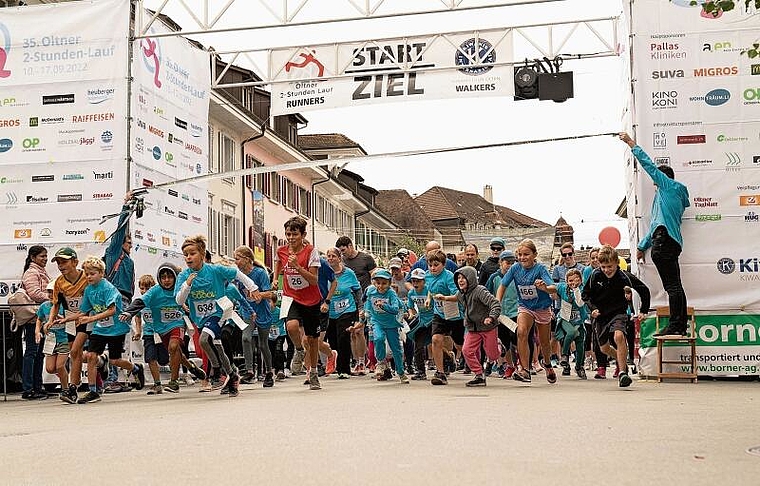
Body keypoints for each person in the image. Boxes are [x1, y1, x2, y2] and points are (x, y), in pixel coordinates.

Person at [620, 132, 689, 335]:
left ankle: (676, 326)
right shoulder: (668, 199)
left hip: (664, 243)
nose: (654, 184)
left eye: (657, 181)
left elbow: (648, 165)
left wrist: (631, 143)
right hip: (670, 242)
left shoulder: (669, 186)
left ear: (663, 178)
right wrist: (642, 246)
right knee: (676, 286)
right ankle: (680, 325)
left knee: (673, 287)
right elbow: (655, 225)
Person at [176, 235, 260, 397]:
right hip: (199, 317)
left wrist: (253, 286)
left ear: (202, 253)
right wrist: (187, 285)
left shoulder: (214, 270)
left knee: (203, 340)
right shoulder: (183, 276)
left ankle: (215, 371)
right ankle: (232, 374)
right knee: (217, 347)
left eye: (192, 253)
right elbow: (179, 300)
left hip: (218, 313)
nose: (188, 257)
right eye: (185, 254)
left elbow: (236, 273)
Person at [121, 266, 205, 394]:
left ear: (175, 277)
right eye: (163, 277)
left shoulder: (180, 288)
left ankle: (174, 382)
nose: (166, 280)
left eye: (170, 277)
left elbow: (195, 299)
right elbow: (140, 301)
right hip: (160, 329)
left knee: (173, 346)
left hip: (177, 324)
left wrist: (190, 310)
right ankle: (190, 366)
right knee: (175, 352)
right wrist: (128, 312)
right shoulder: (155, 291)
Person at [77, 256, 145, 403]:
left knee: (115, 361)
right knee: (90, 356)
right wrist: (63, 319)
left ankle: (136, 368)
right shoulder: (88, 290)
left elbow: (111, 310)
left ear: (101, 273)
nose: (89, 276)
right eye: (86, 274)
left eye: (92, 273)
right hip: (100, 329)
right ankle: (93, 391)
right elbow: (83, 311)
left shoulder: (108, 288)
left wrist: (90, 319)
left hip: (116, 329)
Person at [582, 245, 651, 388]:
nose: (607, 270)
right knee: (604, 349)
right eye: (603, 267)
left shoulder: (624, 276)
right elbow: (585, 294)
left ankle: (623, 373)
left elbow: (644, 290)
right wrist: (592, 308)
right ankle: (621, 361)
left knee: (619, 336)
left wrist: (644, 310)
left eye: (610, 266)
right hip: (600, 315)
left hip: (618, 312)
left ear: (616, 264)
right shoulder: (595, 275)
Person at [495, 239, 557, 384]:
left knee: (544, 342)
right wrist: (497, 301)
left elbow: (553, 288)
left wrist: (545, 288)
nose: (523, 258)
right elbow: (502, 285)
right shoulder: (515, 268)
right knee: (521, 332)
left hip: (542, 307)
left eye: (526, 254)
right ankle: (525, 369)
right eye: (520, 254)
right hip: (525, 306)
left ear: (534, 254)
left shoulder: (540, 269)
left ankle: (547, 364)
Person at [273, 217, 324, 390]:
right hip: (291, 296)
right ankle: (299, 350)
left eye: (295, 234)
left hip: (311, 299)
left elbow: (314, 281)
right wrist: (275, 278)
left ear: (303, 235)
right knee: (291, 327)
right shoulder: (281, 250)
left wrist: (298, 267)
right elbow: (279, 263)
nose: (291, 237)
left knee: (312, 338)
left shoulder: (311, 252)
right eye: (288, 234)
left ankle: (314, 372)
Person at [435, 266, 500, 387]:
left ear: (470, 278)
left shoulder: (480, 290)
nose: (460, 280)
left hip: (487, 327)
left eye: (463, 278)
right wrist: (444, 298)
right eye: (458, 278)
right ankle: (479, 375)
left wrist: (491, 317)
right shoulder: (462, 293)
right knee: (466, 351)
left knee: (492, 355)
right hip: (472, 328)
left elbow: (495, 303)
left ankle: (499, 348)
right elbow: (455, 298)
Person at [47, 247, 89, 404]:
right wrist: (51, 320)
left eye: (64, 261)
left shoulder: (87, 277)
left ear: (75, 262)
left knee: (75, 350)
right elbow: (56, 304)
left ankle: (72, 389)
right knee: (76, 354)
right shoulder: (59, 282)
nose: (61, 265)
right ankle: (100, 362)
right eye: (58, 262)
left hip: (87, 317)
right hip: (70, 319)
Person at [234, 245, 276, 387]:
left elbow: (270, 294)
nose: (235, 262)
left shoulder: (260, 273)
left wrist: (258, 294)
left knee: (263, 345)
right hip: (248, 311)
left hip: (262, 311)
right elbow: (238, 294)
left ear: (247, 259)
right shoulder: (238, 276)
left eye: (237, 259)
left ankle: (270, 372)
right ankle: (250, 371)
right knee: (246, 338)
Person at [425, 249, 463, 386]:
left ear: (443, 264)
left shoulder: (449, 277)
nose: (433, 268)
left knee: (460, 345)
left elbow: (458, 296)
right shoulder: (427, 276)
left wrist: (445, 298)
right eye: (430, 265)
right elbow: (431, 289)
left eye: (436, 265)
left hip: (454, 314)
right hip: (439, 314)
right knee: (436, 339)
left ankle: (474, 367)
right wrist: (429, 299)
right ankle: (440, 372)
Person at [363, 269, 408, 384]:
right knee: (378, 339)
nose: (381, 286)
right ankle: (381, 363)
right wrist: (365, 312)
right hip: (377, 321)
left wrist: (384, 306)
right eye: (378, 283)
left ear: (389, 283)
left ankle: (401, 371)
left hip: (391, 324)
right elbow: (368, 304)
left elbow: (394, 310)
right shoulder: (371, 292)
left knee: (396, 349)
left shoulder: (391, 293)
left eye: (384, 283)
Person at [324, 247, 362, 379]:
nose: (330, 258)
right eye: (328, 256)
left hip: (347, 309)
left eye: (333, 256)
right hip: (329, 311)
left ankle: (344, 369)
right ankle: (335, 363)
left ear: (339, 258)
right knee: (332, 339)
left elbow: (357, 290)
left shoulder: (349, 273)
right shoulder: (324, 273)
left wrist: (360, 307)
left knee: (343, 338)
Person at [21, 245, 50, 400]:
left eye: (46, 256)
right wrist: (53, 297)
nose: (45, 259)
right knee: (32, 353)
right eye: (42, 256)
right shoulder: (31, 272)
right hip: (33, 319)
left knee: (39, 354)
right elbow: (35, 294)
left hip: (42, 318)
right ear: (33, 257)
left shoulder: (41, 271)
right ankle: (28, 389)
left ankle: (38, 387)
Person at [547, 268, 588, 379]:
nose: (573, 282)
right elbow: (551, 287)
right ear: (566, 281)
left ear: (580, 279)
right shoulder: (562, 288)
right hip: (565, 318)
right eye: (570, 280)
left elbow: (580, 303)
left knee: (580, 345)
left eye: (576, 280)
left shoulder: (583, 289)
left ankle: (579, 366)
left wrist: (576, 290)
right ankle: (564, 355)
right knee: (570, 332)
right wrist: (543, 286)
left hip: (579, 321)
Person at [485, 250, 519, 379]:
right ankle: (509, 365)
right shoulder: (494, 278)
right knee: (505, 342)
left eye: (512, 262)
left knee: (517, 340)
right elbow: (487, 294)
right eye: (507, 262)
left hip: (516, 313)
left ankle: (521, 365)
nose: (510, 265)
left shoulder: (518, 276)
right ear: (500, 263)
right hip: (501, 315)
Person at [34, 281, 65, 399]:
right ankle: (64, 375)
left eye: (53, 292)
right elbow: (39, 319)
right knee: (50, 368)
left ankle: (65, 388)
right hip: (50, 340)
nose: (51, 294)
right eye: (49, 292)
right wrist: (37, 331)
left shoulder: (63, 305)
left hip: (63, 338)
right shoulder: (44, 306)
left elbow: (72, 319)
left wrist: (62, 318)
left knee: (59, 366)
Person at [406, 268, 434, 380]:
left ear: (424, 281)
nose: (416, 283)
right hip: (422, 321)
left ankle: (447, 358)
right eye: (413, 281)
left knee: (436, 343)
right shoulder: (411, 293)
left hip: (433, 319)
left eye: (418, 281)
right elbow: (411, 307)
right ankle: (421, 371)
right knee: (418, 345)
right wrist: (411, 314)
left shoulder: (429, 290)